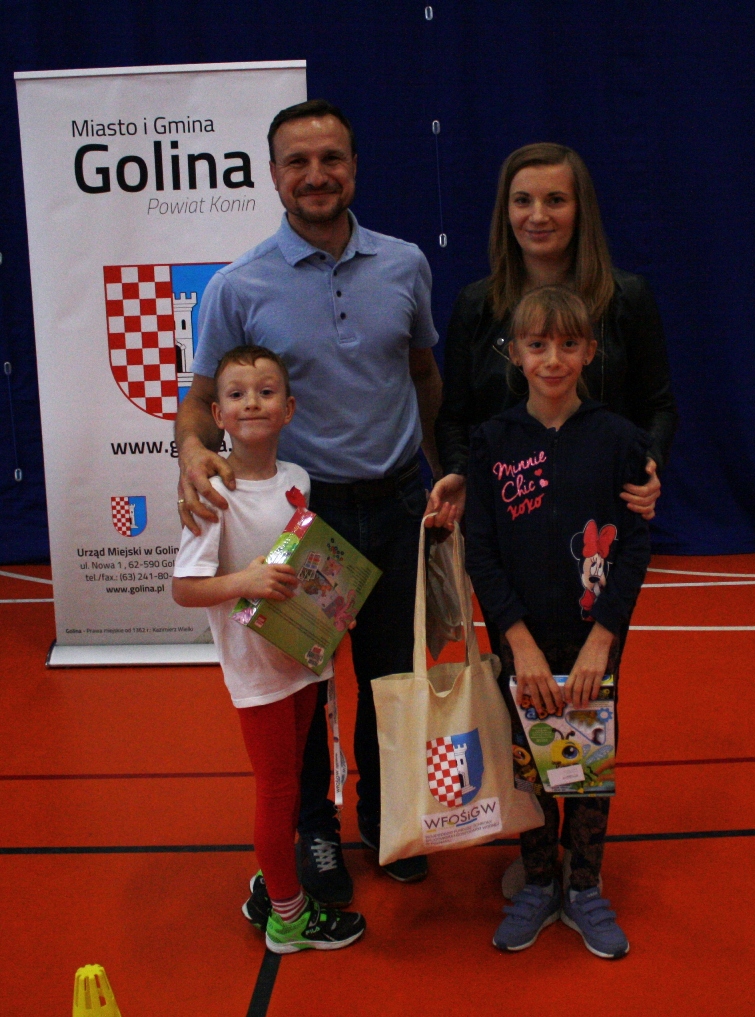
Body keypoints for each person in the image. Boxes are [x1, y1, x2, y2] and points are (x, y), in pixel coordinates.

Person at [174, 100, 441, 910]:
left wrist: (443, 471)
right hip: (305, 520)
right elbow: (200, 400)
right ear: (273, 174)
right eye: (298, 161)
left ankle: (388, 816)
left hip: (397, 505)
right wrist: (190, 452)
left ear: (354, 167)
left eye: (331, 158)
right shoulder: (238, 284)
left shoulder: (405, 264)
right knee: (305, 689)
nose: (316, 174)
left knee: (393, 677)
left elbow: (424, 374)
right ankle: (315, 829)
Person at [465, 286, 651, 959]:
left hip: (593, 640)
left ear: (590, 351)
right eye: (537, 345)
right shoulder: (492, 442)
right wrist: (517, 642)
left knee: (588, 761)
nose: (553, 359)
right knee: (530, 762)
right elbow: (481, 551)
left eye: (568, 344)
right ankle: (540, 880)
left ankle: (585, 884)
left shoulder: (619, 439)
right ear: (515, 353)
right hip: (524, 643)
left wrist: (604, 637)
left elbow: (635, 545)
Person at [172, 346, 365, 953]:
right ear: (217, 415)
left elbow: (305, 566)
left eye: (265, 392)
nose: (251, 403)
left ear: (289, 408)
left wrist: (334, 608)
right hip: (256, 673)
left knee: (294, 786)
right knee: (277, 791)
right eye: (236, 394)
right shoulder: (212, 492)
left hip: (301, 660)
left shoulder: (298, 480)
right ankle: (287, 916)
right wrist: (247, 581)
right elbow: (184, 588)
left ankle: (274, 884)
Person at [428, 142, 677, 532]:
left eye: (556, 200)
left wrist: (647, 464)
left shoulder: (627, 298)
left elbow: (658, 407)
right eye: (522, 201)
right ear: (506, 210)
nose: (538, 216)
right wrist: (459, 470)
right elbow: (454, 418)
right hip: (504, 521)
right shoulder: (476, 305)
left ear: (581, 210)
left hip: (603, 517)